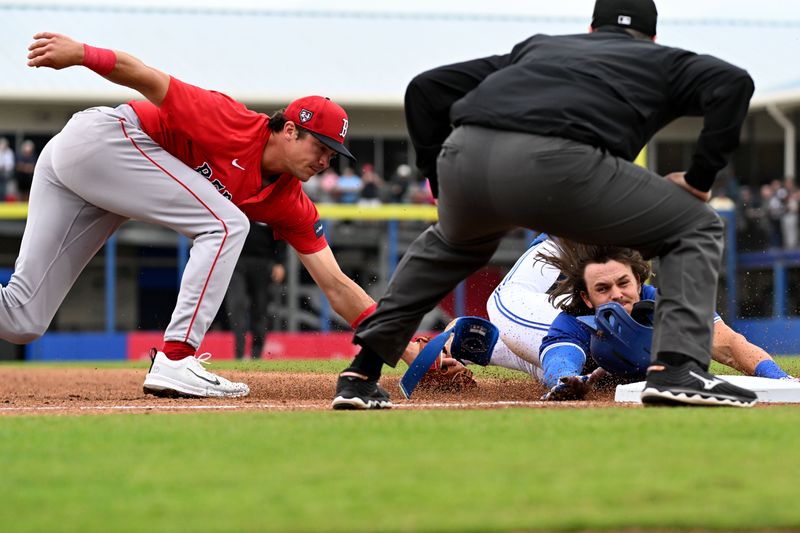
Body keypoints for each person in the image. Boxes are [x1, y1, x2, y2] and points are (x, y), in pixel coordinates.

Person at [332, 0, 758, 409]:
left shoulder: (540, 47)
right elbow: (734, 84)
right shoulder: (660, 59)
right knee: (697, 224)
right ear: (651, 36)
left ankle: (361, 374)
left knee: (445, 250)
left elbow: (426, 88)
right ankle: (677, 369)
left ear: (591, 30)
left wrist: (440, 182)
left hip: (467, 155)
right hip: (563, 161)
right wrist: (700, 180)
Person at [21, 32, 379, 398]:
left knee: (23, 317)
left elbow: (336, 285)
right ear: (289, 130)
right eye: (320, 146)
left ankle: (174, 360)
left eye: (332, 156)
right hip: (102, 138)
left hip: (90, 173)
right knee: (226, 224)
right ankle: (176, 360)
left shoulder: (290, 201)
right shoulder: (232, 122)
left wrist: (408, 349)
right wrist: (81, 53)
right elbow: (145, 76)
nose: (323, 161)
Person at [483, 235, 795, 400]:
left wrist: (779, 378)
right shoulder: (572, 318)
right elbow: (560, 360)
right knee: (570, 361)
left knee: (593, 368)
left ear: (639, 282)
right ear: (586, 298)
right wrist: (568, 380)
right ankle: (479, 341)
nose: (617, 294)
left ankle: (469, 342)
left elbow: (729, 344)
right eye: (604, 289)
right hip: (519, 298)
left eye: (623, 284)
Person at [224, 222, 286, 360]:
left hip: (263, 262)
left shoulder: (268, 205)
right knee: (236, 305)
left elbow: (280, 232)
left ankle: (256, 354)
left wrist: (280, 262)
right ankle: (239, 353)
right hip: (236, 261)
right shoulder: (236, 203)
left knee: (260, 307)